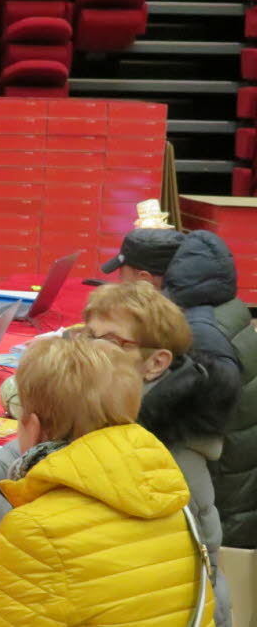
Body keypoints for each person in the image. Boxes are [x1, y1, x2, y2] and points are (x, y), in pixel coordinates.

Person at [0, 282, 234, 626]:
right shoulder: (123, 421)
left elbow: (103, 554)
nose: (91, 349)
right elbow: (56, 443)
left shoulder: (170, 449)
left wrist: (1, 511)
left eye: (111, 342)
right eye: (88, 335)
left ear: (156, 362)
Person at [104, 226, 257, 548]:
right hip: (234, 492)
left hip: (217, 510)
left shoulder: (199, 336)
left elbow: (159, 421)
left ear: (146, 281)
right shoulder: (222, 309)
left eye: (122, 277)